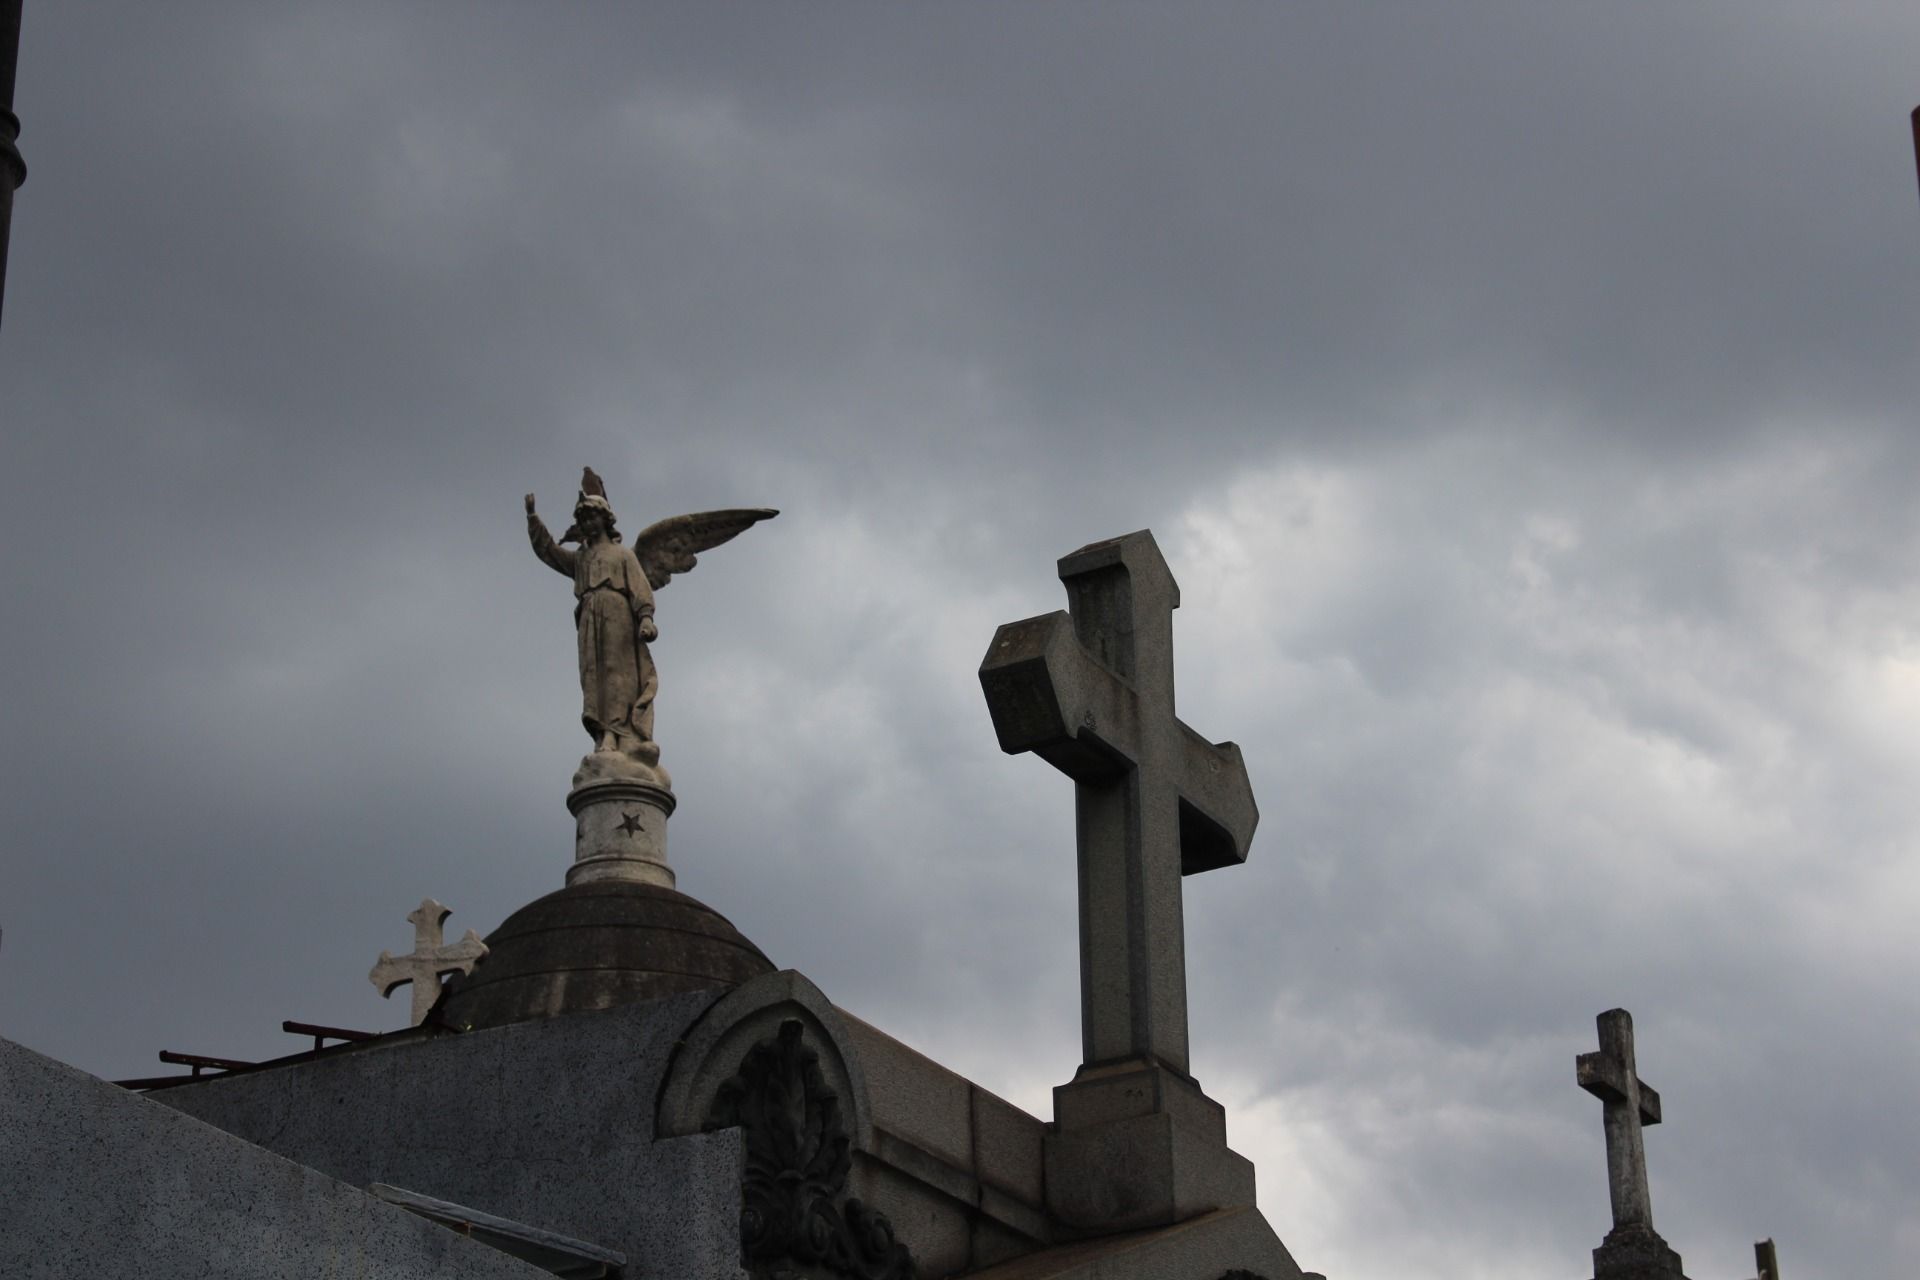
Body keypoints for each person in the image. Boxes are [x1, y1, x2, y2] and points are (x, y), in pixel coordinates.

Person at [525, 490, 661, 763]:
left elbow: (640, 587)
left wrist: (646, 617)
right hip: (589, 617)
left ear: (605, 519)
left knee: (616, 673)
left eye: (592, 517)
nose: (588, 523)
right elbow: (549, 552)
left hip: (618, 615)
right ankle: (602, 731)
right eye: (583, 519)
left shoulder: (623, 555)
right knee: (593, 675)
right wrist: (532, 518)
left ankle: (618, 732)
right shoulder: (581, 559)